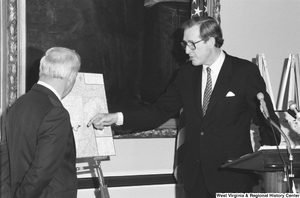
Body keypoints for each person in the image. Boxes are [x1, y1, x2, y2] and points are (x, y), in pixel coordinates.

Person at [87, 16, 281, 197]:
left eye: (192, 44)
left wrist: (271, 166)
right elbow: (158, 111)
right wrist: (117, 118)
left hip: (232, 178)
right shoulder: (186, 74)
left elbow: (267, 122)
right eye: (185, 44)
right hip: (194, 178)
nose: (187, 50)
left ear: (211, 41)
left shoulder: (244, 72)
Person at [6, 47, 81, 198]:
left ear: (42, 71)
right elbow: (41, 172)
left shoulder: (17, 105)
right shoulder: (56, 113)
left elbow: (5, 159)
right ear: (71, 76)